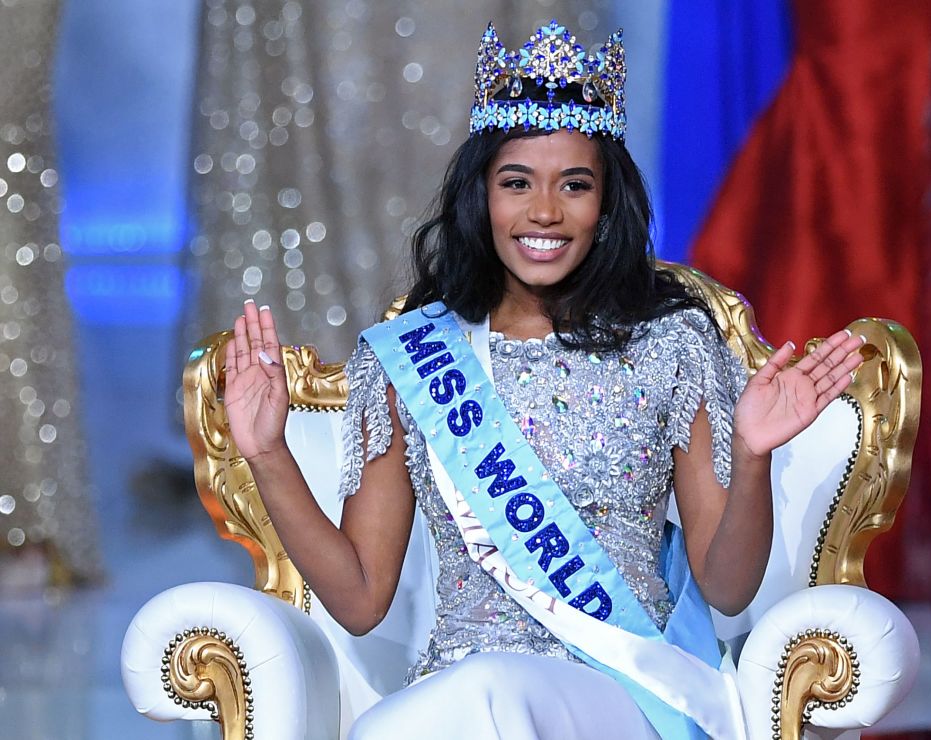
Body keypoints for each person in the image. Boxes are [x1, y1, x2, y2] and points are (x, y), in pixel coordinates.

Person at [222, 20, 864, 740]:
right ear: (482, 198)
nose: (545, 212)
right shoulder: (413, 356)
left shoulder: (672, 344)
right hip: (461, 692)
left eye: (575, 186)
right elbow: (361, 598)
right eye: (517, 183)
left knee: (493, 692)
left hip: (622, 691)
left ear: (606, 205)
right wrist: (268, 453)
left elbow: (727, 586)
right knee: (481, 696)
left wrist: (750, 458)